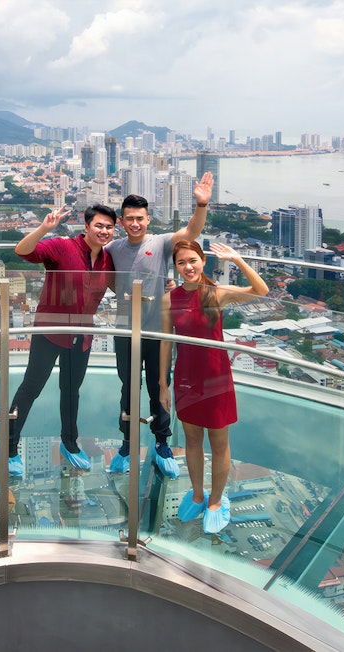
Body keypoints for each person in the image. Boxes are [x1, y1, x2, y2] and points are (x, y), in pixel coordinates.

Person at [106, 172, 214, 478]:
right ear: (122, 221)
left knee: (159, 386)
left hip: (157, 330)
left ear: (148, 219)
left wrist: (201, 205)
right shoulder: (114, 248)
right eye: (129, 219)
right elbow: (105, 277)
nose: (135, 224)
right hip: (126, 329)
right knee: (129, 387)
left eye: (140, 218)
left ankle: (162, 442)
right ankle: (127, 443)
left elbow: (191, 231)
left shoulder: (162, 242)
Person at [159, 240, 269, 534]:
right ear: (176, 267)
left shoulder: (215, 294)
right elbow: (166, 343)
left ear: (203, 260)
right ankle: (197, 494)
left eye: (192, 260)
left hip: (216, 378)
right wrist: (162, 384)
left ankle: (217, 501)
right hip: (186, 377)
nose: (188, 267)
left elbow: (261, 291)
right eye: (181, 263)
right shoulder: (169, 299)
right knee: (192, 441)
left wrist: (237, 259)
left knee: (219, 445)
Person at [7, 204, 116, 474]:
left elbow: (120, 286)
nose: (103, 231)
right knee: (31, 387)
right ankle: (9, 447)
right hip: (50, 331)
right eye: (98, 226)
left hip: (82, 336)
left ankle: (69, 442)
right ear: (86, 226)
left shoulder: (106, 259)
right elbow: (22, 251)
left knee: (71, 391)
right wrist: (45, 228)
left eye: (109, 227)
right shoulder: (62, 246)